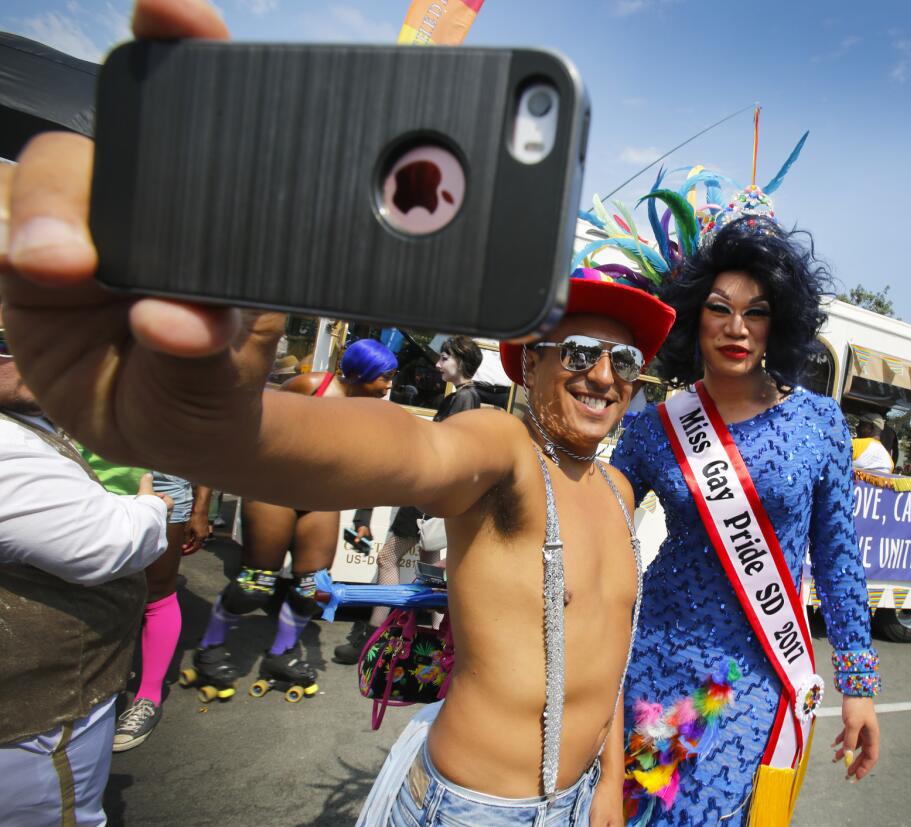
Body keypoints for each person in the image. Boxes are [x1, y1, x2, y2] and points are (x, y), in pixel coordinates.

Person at [0, 40, 678, 821]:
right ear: (528, 368)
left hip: (582, 800)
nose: (603, 375)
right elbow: (406, 448)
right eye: (582, 352)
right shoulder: (504, 451)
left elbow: (606, 663)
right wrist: (216, 425)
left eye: (624, 359)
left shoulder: (623, 493)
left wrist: (608, 797)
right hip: (477, 808)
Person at [609, 214, 881, 823]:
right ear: (689, 316)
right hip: (653, 656)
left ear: (777, 323)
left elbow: (838, 560)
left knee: (708, 812)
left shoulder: (820, 424)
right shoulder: (655, 428)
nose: (737, 328)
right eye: (718, 308)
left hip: (755, 668)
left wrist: (858, 687)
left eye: (756, 311)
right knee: (632, 809)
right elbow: (596, 526)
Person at [0, 305, 171, 825]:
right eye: (10, 342)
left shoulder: (35, 417)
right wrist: (147, 509)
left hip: (51, 693)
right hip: (41, 711)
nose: (41, 358)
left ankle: (146, 692)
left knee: (161, 602)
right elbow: (103, 543)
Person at [191, 337, 397, 696]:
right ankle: (209, 647)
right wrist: (206, 497)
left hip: (320, 500)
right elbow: (252, 423)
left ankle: (281, 654)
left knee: (313, 588)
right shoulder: (311, 386)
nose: (389, 386)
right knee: (256, 585)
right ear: (362, 373)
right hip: (275, 491)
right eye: (385, 377)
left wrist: (362, 514)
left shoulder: (371, 411)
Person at [334, 335, 483, 664]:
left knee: (388, 559)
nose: (438, 364)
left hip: (426, 498)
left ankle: (376, 641)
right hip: (435, 500)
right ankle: (433, 649)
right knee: (430, 577)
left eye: (445, 358)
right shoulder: (465, 397)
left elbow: (447, 454)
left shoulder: (463, 399)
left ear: (462, 363)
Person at [112, 472, 212, 751]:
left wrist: (201, 509)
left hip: (162, 486)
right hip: (88, 478)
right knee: (89, 591)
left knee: (157, 593)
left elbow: (206, 444)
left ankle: (148, 698)